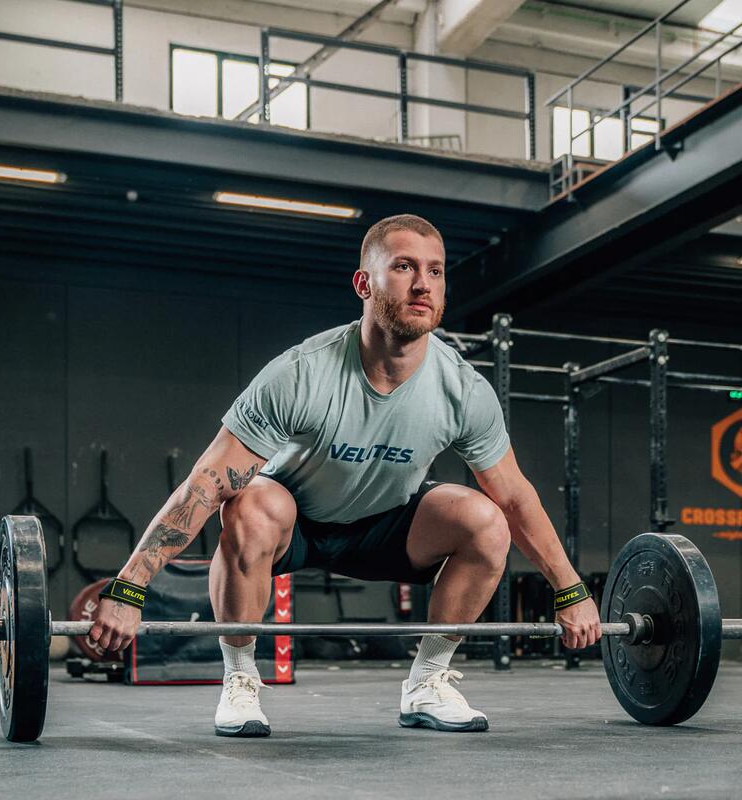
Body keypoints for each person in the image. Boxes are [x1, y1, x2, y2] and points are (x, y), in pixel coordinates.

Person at [89, 214, 602, 737]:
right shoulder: (302, 373)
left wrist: (571, 591)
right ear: (364, 283)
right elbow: (207, 481)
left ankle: (427, 682)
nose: (423, 283)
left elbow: (515, 497)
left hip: (387, 525)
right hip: (296, 519)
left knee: (486, 520)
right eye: (403, 267)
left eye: (436, 271)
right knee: (246, 504)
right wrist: (129, 588)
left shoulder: (463, 389)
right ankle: (240, 680)